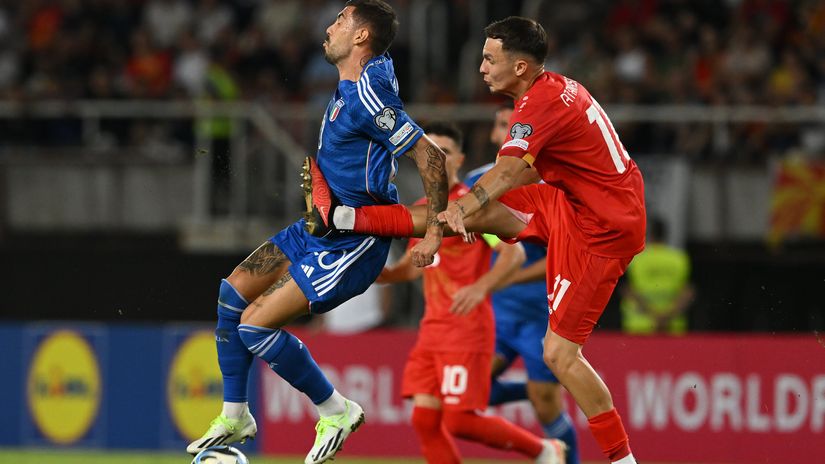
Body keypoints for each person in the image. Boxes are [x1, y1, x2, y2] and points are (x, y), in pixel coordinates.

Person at [307, 16, 646, 464]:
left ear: (520, 67)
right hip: (574, 205)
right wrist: (460, 214)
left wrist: (458, 214)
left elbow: (508, 172)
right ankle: (350, 217)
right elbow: (525, 170)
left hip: (602, 229)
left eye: (490, 59)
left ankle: (623, 461)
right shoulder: (556, 89)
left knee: (560, 356)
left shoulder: (539, 104)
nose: (481, 67)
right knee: (473, 205)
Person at [187, 2, 449, 464]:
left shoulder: (370, 96)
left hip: (353, 243)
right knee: (232, 294)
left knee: (254, 324)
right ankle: (235, 415)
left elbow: (431, 158)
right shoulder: (360, 77)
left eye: (341, 21)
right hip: (317, 229)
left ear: (362, 36)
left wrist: (432, 235)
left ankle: (337, 410)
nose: (329, 28)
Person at [377, 121, 565, 463]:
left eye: (443, 152)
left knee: (459, 420)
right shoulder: (421, 210)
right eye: (428, 152)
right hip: (431, 330)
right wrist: (382, 275)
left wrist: (482, 287)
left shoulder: (473, 207)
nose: (434, 159)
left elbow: (514, 253)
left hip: (466, 329)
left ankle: (543, 450)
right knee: (425, 420)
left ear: (459, 159)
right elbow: (409, 267)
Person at [465, 104, 580, 464]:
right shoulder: (477, 183)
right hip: (497, 310)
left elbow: (565, 256)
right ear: (496, 134)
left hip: (540, 312)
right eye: (502, 125)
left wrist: (506, 277)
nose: (506, 131)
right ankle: (528, 392)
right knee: (472, 390)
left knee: (548, 406)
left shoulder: (555, 187)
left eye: (512, 125)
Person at [620, 217, 694, 335]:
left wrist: (653, 316)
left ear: (649, 234)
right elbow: (687, 293)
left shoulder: (636, 258)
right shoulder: (678, 258)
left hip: (640, 325)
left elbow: (628, 291)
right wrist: (665, 317)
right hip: (672, 326)